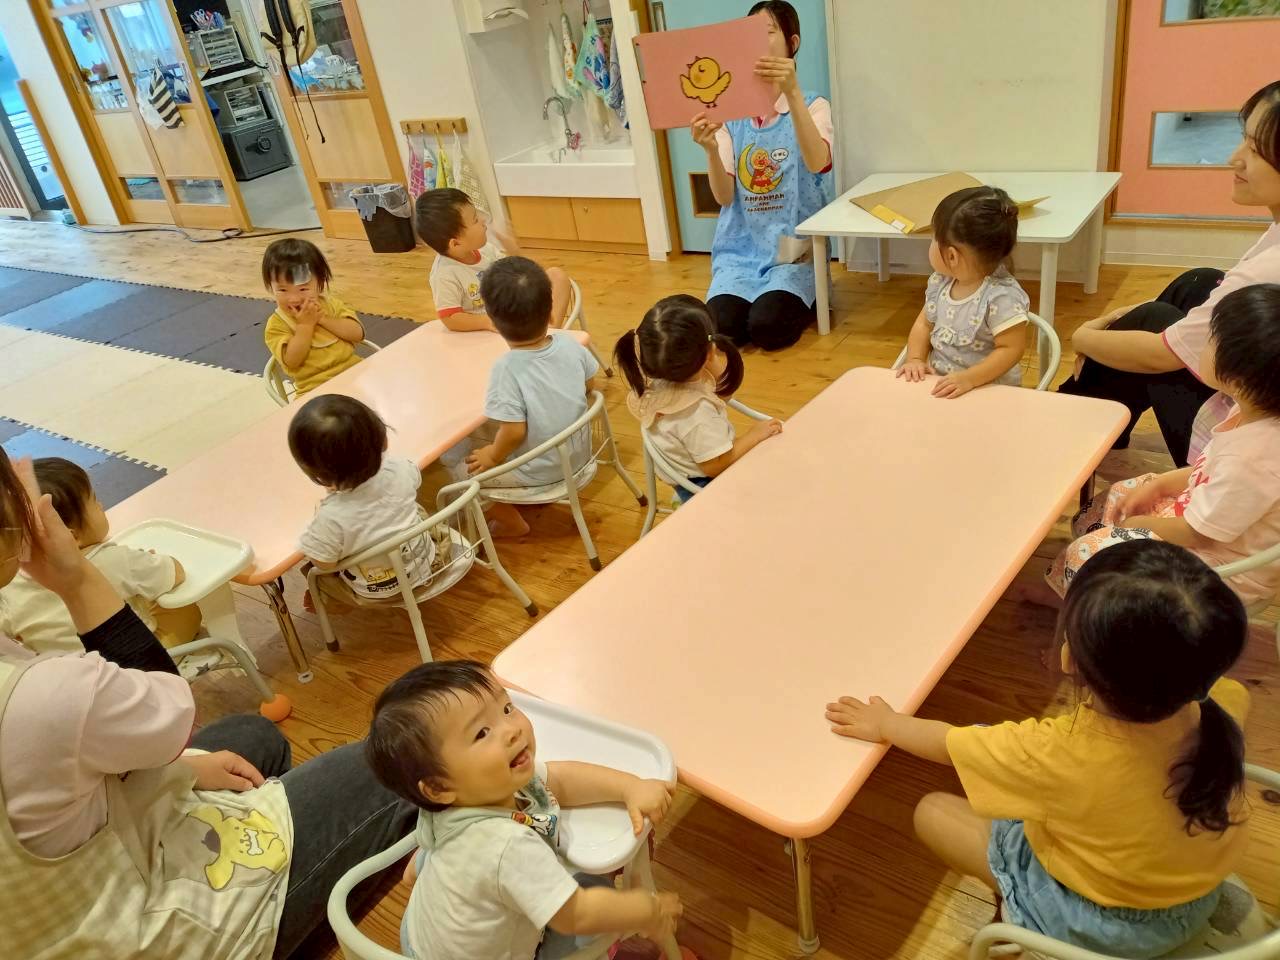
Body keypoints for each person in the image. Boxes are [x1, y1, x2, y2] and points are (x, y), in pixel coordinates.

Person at [0, 449, 417, 958]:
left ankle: (294, 860)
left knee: (251, 737)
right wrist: (77, 578)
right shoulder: (40, 693)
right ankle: (269, 912)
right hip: (137, 931)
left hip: (64, 884)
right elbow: (170, 719)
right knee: (399, 759)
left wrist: (183, 770)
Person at [826, 539, 1250, 958]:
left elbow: (948, 744)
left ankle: (1020, 912)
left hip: (1095, 925)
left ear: (1070, 659)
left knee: (931, 811)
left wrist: (886, 724)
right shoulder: (1225, 703)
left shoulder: (1056, 753)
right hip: (1191, 901)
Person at [365, 660, 682, 960]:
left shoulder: (451, 800)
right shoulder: (505, 846)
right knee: (594, 890)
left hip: (417, 935)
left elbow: (559, 780)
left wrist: (629, 787)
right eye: (482, 733)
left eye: (506, 708)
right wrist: (647, 911)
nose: (511, 730)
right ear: (437, 787)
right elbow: (576, 914)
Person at [1061, 80, 1280, 466]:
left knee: (1152, 321)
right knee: (1197, 282)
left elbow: (1162, 356)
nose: (1234, 158)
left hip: (1245, 444)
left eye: (1256, 149)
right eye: (1243, 140)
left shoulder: (1269, 268)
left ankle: (1067, 421)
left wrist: (1083, 336)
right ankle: (1090, 410)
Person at [1046, 284, 1280, 606]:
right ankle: (1075, 590)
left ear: (1237, 382)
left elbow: (1200, 533)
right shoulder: (1251, 413)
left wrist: (1141, 525)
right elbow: (1209, 469)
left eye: (1211, 340)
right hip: (1206, 520)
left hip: (1219, 571)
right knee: (1117, 497)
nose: (1202, 344)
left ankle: (1086, 610)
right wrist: (1159, 484)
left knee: (1085, 554)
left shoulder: (1252, 459)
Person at [692, 1, 834, 351]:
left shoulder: (814, 105)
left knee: (767, 327)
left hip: (792, 252)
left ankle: (812, 293)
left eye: (767, 32)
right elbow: (724, 197)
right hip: (740, 252)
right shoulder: (729, 114)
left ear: (792, 43)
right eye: (749, 35)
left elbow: (818, 162)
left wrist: (792, 92)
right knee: (723, 328)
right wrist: (710, 150)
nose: (756, 42)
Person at [440, 257, 600, 538]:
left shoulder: (506, 369)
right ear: (549, 311)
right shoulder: (570, 343)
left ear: (492, 320)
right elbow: (589, 384)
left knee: (461, 473)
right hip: (581, 455)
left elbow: (514, 432)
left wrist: (493, 455)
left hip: (543, 473)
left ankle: (511, 523)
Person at [0, 456, 200, 652]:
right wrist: (146, 561)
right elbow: (175, 573)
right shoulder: (114, 559)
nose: (101, 505)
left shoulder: (10, 583)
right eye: (94, 501)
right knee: (184, 609)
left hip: (67, 668)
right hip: (131, 661)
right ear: (70, 536)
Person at [614, 294, 782, 501]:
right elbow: (715, 466)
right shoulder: (698, 414)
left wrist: (709, 359)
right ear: (710, 351)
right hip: (702, 486)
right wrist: (753, 436)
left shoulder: (659, 380)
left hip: (683, 469)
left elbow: (721, 394)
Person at [289, 394, 442, 603]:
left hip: (376, 591)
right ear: (384, 440)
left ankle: (328, 602)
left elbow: (325, 564)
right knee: (414, 508)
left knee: (312, 570)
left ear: (317, 474)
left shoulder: (329, 518)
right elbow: (415, 481)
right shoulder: (400, 468)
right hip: (425, 561)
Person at [895, 186, 1030, 398]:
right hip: (943, 387)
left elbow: (1011, 349)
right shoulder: (941, 283)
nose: (931, 244)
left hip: (989, 392)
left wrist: (970, 378)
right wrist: (915, 359)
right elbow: (924, 324)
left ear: (952, 256)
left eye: (934, 238)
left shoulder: (1001, 297)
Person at [416, 187, 571, 333]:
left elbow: (520, 275)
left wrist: (514, 251)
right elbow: (450, 318)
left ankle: (549, 331)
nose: (483, 220)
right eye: (475, 220)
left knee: (557, 275)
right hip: (492, 331)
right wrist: (487, 322)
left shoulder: (485, 250)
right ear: (456, 243)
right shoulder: (445, 275)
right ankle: (541, 337)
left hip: (512, 310)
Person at [262, 238, 366, 396]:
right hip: (314, 389)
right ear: (271, 287)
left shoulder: (331, 305)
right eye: (282, 290)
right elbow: (292, 361)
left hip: (354, 372)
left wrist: (322, 319)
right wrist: (305, 326)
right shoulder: (277, 324)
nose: (294, 299)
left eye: (303, 289)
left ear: (320, 284)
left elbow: (357, 334)